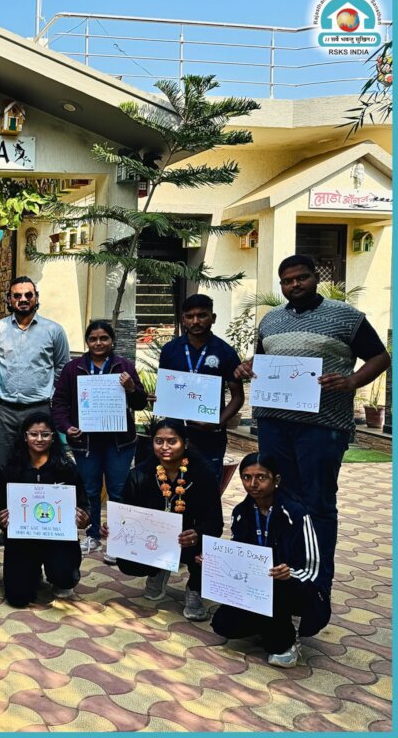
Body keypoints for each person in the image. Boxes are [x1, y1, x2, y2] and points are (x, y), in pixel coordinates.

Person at [235, 255, 390, 592]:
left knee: (318, 501)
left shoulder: (346, 316)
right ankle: (285, 573)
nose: (295, 284)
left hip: (323, 425)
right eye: (287, 280)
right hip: (274, 423)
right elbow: (262, 360)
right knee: (280, 498)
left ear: (315, 278)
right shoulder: (271, 320)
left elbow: (381, 357)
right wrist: (247, 366)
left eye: (301, 277)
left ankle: (317, 582)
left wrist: (352, 381)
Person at [209, 453, 331, 668]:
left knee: (277, 640)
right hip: (258, 585)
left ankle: (288, 637)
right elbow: (238, 554)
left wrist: (290, 573)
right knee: (223, 625)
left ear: (276, 480)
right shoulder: (241, 512)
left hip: (294, 587)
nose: (253, 484)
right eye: (246, 477)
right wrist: (214, 561)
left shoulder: (296, 513)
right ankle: (268, 623)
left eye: (261, 477)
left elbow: (313, 569)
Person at [101, 419, 223, 621]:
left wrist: (198, 534)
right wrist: (112, 528)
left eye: (172, 441)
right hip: (152, 540)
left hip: (188, 540)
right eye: (159, 441)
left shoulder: (203, 474)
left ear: (185, 443)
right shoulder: (140, 473)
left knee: (210, 552)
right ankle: (157, 570)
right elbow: (125, 511)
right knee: (128, 563)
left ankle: (195, 588)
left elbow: (215, 522)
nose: (165, 447)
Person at [53, 320, 149, 562]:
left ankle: (117, 540)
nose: (98, 343)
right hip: (86, 442)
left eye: (104, 338)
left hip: (119, 442)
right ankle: (93, 534)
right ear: (87, 341)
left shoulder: (124, 366)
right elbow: (59, 403)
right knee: (90, 490)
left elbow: (140, 403)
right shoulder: (73, 368)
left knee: (118, 490)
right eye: (93, 339)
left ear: (112, 340)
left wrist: (131, 388)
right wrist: (67, 427)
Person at [0, 413, 90, 607]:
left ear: (53, 437)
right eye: (34, 434)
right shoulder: (12, 469)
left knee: (65, 577)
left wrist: (83, 518)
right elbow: (0, 506)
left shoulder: (66, 468)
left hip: (57, 538)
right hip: (23, 540)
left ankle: (60, 577)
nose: (39, 439)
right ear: (25, 436)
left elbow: (83, 504)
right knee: (18, 597)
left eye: (45, 434)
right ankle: (33, 573)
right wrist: (1, 519)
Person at [0, 276, 71, 468]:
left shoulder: (54, 330)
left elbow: (62, 367)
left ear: (36, 297)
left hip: (39, 409)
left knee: (39, 464)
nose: (23, 299)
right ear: (9, 299)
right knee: (3, 465)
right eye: (17, 295)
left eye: (28, 295)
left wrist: (51, 397)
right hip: (3, 411)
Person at [157, 294, 243, 484]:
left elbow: (238, 397)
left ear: (213, 318)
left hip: (210, 436)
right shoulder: (170, 350)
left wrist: (217, 423)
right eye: (190, 316)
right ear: (183, 319)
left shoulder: (225, 352)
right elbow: (165, 388)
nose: (195, 321)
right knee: (172, 487)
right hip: (174, 434)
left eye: (202, 315)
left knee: (208, 488)